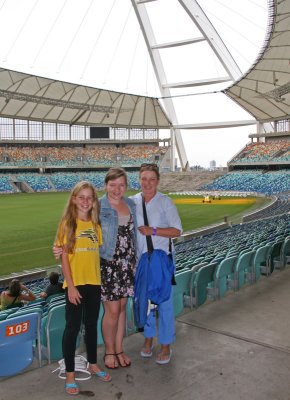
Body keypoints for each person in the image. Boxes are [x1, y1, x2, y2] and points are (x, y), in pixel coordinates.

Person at [54, 180, 111, 396]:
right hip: (75, 285)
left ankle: (93, 363)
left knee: (91, 324)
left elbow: (94, 252)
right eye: (81, 197)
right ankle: (70, 374)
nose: (86, 201)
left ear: (93, 200)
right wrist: (70, 285)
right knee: (72, 328)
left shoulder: (96, 225)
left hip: (94, 283)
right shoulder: (68, 224)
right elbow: (65, 259)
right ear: (74, 200)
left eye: (89, 197)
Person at [131, 163, 182, 365]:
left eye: (152, 179)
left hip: (161, 261)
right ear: (139, 179)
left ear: (158, 181)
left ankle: (166, 344)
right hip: (141, 262)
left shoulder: (165, 202)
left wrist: (152, 230)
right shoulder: (133, 201)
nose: (148, 183)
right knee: (146, 302)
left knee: (164, 303)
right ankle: (148, 338)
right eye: (144, 178)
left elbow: (177, 231)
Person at [99, 167, 137, 369]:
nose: (117, 189)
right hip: (107, 266)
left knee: (122, 308)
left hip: (127, 264)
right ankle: (109, 351)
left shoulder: (130, 204)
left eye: (121, 185)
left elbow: (134, 236)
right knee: (112, 311)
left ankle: (120, 349)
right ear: (106, 185)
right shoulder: (98, 206)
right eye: (112, 185)